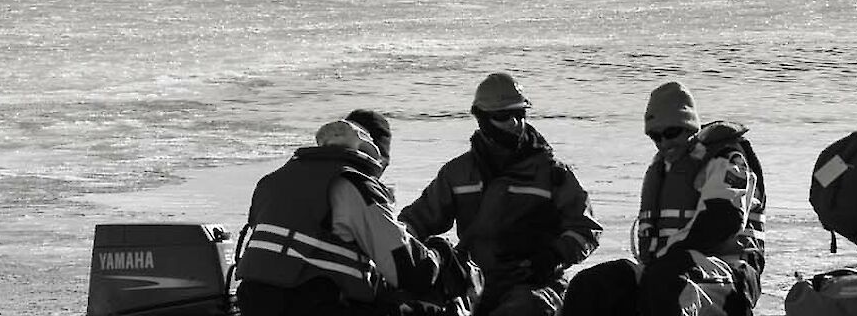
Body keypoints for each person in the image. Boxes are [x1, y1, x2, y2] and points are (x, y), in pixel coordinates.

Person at [400, 73, 604, 316]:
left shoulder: (553, 174)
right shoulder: (458, 173)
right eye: (503, 116)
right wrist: (388, 247)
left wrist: (551, 258)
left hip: (536, 285)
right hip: (473, 282)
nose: (514, 123)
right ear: (482, 119)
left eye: (520, 114)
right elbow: (415, 221)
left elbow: (586, 229)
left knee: (525, 308)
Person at [560, 82, 767, 316]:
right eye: (656, 136)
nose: (664, 143)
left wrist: (667, 256)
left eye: (671, 133)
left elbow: (723, 220)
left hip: (731, 275)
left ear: (690, 127)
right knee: (591, 285)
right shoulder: (664, 169)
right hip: (669, 269)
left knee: (666, 281)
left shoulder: (728, 160)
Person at [237, 120, 445, 316]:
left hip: (254, 302)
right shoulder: (353, 184)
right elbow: (406, 272)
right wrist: (440, 254)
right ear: (371, 154)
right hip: (315, 305)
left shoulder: (270, 182)